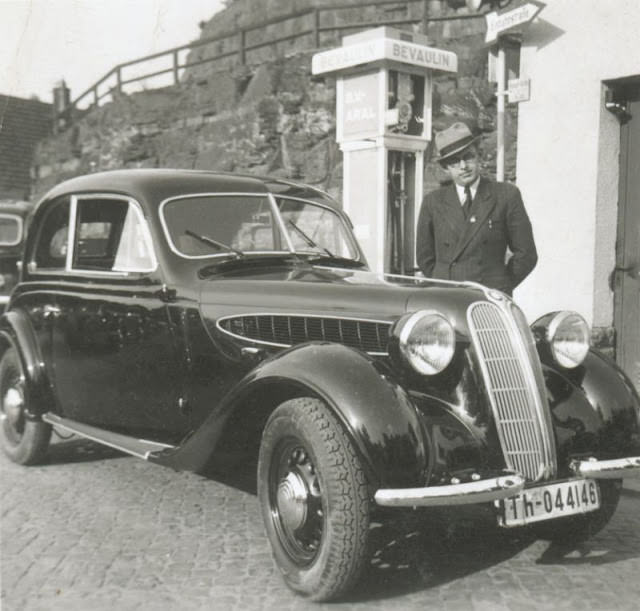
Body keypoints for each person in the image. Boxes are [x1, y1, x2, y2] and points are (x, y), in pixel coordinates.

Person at [416, 122, 537, 295]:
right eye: (454, 162)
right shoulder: (432, 202)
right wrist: (444, 282)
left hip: (489, 296)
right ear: (445, 168)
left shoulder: (506, 195)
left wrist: (500, 285)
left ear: (479, 155)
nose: (463, 166)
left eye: (468, 157)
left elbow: (527, 254)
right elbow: (424, 259)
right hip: (447, 297)